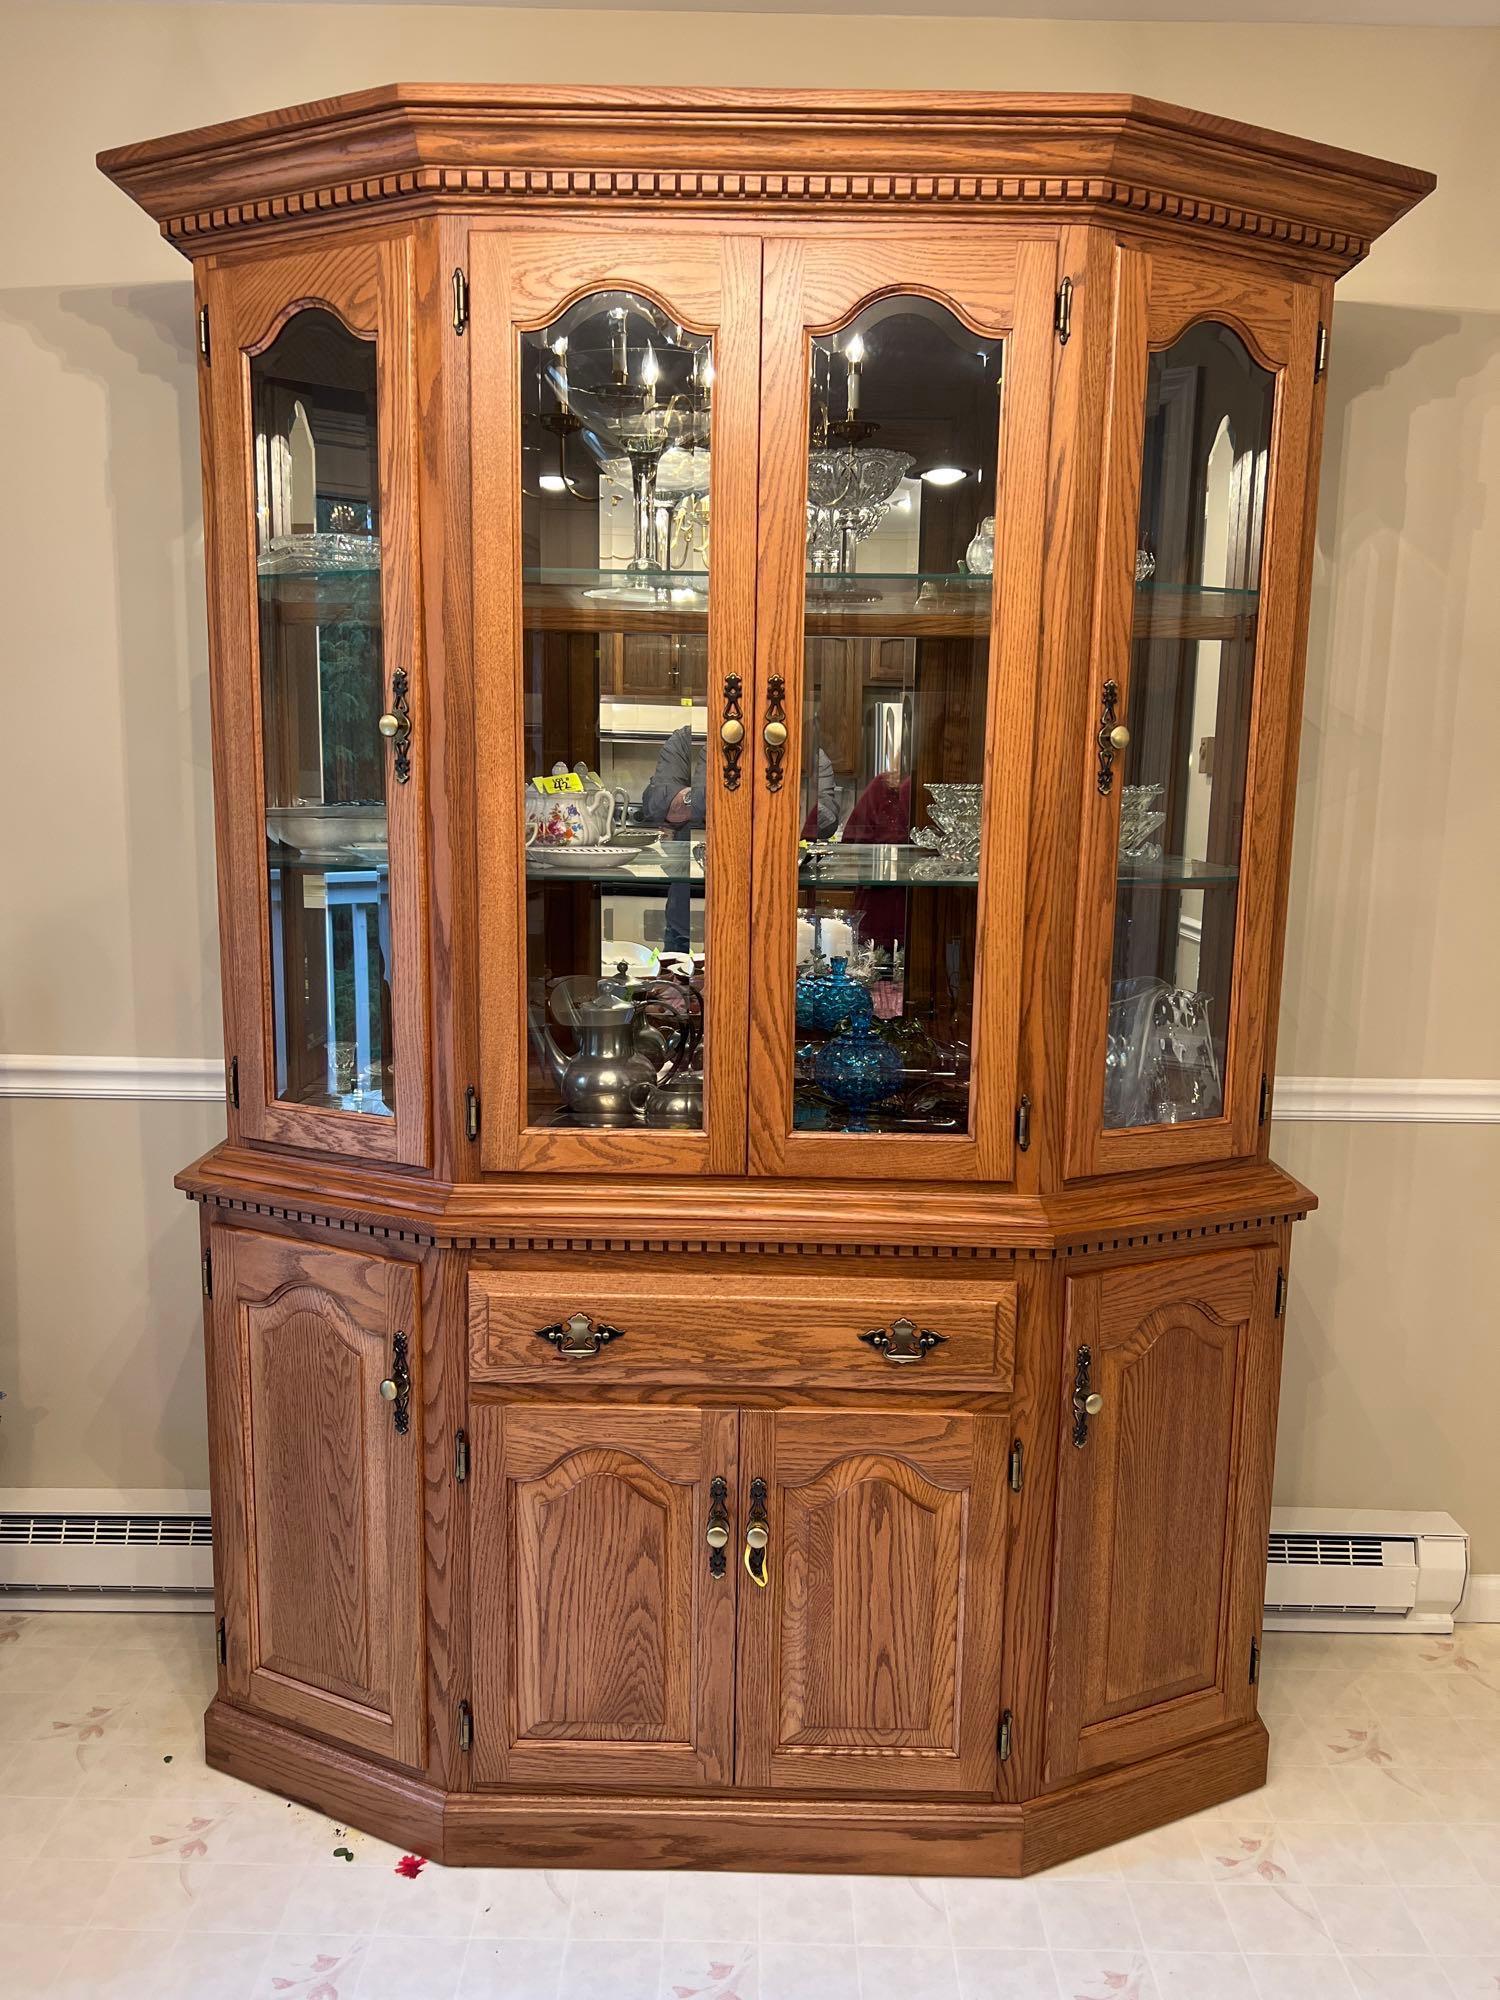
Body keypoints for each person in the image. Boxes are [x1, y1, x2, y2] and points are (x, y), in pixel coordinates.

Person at [643, 724, 839, 953]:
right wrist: (723, 791)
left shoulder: (808, 752)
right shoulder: (686, 739)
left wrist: (786, 787)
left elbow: (826, 821)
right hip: (688, 922)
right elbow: (658, 806)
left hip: (775, 920)